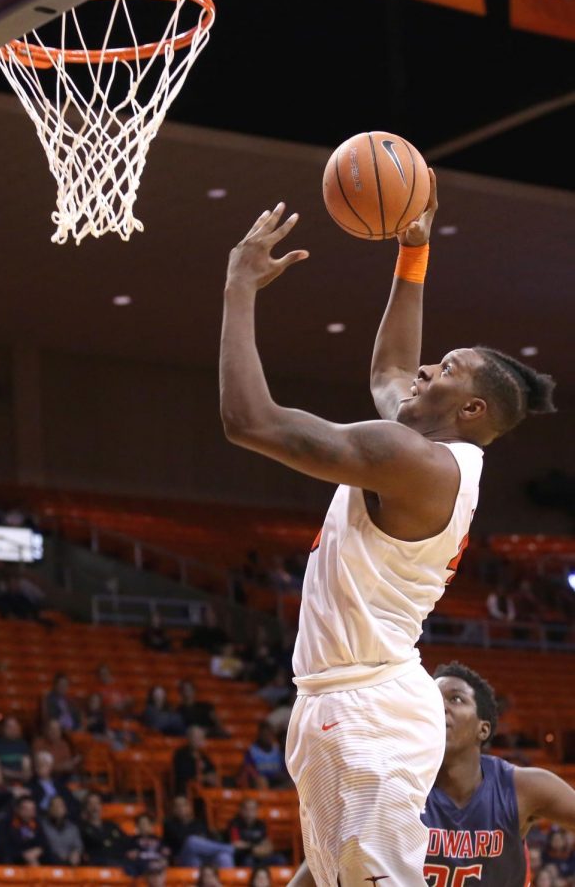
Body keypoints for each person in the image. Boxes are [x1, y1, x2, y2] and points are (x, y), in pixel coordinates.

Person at [219, 184, 557, 886]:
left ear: (468, 407)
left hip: (366, 708)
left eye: (449, 366)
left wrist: (239, 286)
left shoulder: (415, 461)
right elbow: (390, 371)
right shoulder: (430, 453)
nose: (429, 366)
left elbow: (249, 421)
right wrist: (414, 254)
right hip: (352, 697)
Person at [291, 660, 575, 887]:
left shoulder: (522, 787)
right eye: (431, 699)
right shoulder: (390, 788)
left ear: (483, 728)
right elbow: (319, 869)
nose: (439, 707)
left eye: (456, 699)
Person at [163, 794, 235, 868]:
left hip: (203, 855)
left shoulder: (199, 823)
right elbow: (181, 840)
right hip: (183, 857)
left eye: (184, 805)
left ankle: (230, 879)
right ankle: (230, 848)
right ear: (173, 810)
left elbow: (208, 840)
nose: (181, 808)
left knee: (224, 857)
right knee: (191, 841)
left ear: (189, 808)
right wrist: (198, 840)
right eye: (177, 806)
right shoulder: (169, 824)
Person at [0, 794, 54, 865]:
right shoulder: (5, 824)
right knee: (5, 858)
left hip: (33, 857)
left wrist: (39, 850)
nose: (29, 813)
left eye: (32, 809)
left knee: (52, 858)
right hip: (14, 857)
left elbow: (45, 844)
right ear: (17, 809)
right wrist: (22, 854)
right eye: (26, 809)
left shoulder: (37, 824)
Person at [227, 797, 286, 867]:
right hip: (243, 856)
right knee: (248, 861)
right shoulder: (235, 823)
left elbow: (268, 844)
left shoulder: (261, 824)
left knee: (280, 859)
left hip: (260, 855)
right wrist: (253, 848)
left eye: (253, 809)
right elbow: (236, 844)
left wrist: (262, 850)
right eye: (247, 809)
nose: (250, 812)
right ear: (241, 810)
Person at [79, 790, 128, 865]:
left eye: (97, 803)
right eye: (91, 804)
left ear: (101, 806)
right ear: (86, 807)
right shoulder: (82, 828)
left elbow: (125, 841)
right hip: (98, 865)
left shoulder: (111, 825)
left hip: (118, 863)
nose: (94, 807)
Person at [241, 722, 291, 789]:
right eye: (265, 735)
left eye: (269, 734)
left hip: (277, 781)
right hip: (260, 780)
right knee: (262, 781)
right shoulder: (252, 751)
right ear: (260, 735)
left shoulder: (278, 749)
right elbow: (249, 769)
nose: (267, 737)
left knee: (292, 783)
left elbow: (284, 768)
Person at [0, 715, 32, 784]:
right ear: (3, 728)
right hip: (1, 783)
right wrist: (18, 775)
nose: (13, 729)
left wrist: (25, 774)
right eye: (9, 727)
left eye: (16, 726)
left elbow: (27, 766)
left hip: (22, 782)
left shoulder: (22, 744)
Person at [172, 725, 218, 796]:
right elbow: (183, 774)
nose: (199, 740)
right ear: (189, 738)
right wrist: (203, 777)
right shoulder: (180, 754)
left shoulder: (203, 755)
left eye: (201, 738)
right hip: (186, 790)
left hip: (204, 789)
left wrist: (211, 776)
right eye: (196, 738)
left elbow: (212, 769)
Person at [40, 795, 83, 866]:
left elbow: (78, 846)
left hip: (70, 862)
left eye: (60, 806)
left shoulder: (72, 828)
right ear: (49, 809)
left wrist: (76, 853)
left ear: (65, 809)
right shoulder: (42, 827)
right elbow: (42, 846)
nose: (58, 809)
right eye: (55, 806)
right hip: (49, 862)